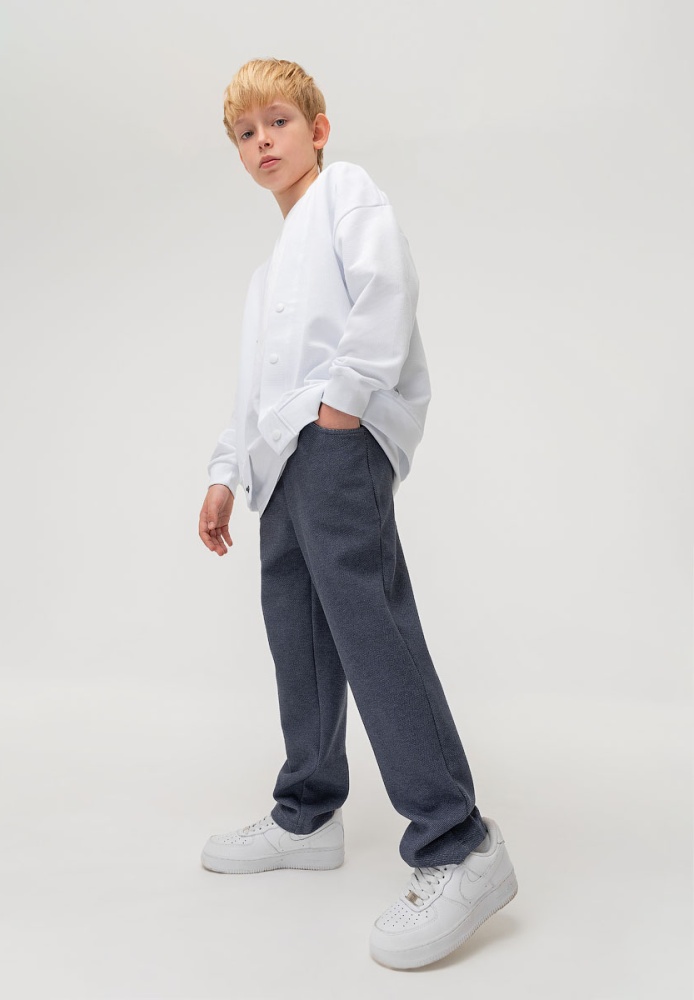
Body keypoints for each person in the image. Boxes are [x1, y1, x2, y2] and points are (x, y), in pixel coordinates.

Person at [197, 57, 517, 970]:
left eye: (278, 122)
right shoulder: (266, 275)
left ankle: (459, 844)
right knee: (296, 634)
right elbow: (254, 389)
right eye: (246, 133)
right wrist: (225, 470)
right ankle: (307, 814)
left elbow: (387, 291)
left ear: (319, 129)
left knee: (371, 629)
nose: (263, 142)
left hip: (335, 444)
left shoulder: (346, 194)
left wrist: (343, 406)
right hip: (278, 464)